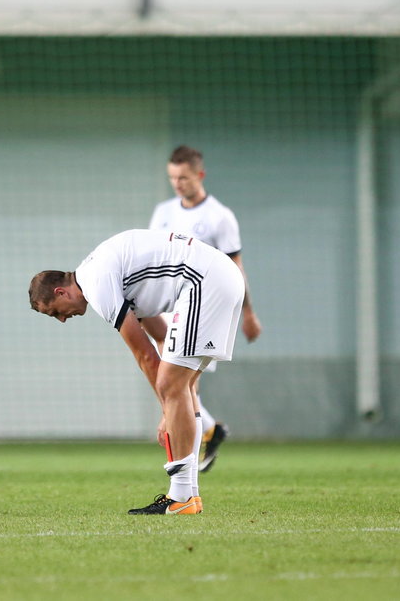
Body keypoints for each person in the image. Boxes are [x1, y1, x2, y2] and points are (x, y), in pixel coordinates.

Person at [30, 229, 245, 515]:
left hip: (205, 282)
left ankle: (180, 498)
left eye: (54, 311)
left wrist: (167, 409)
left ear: (61, 292)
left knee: (172, 385)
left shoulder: (95, 284)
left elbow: (144, 355)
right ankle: (188, 496)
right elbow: (161, 337)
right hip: (219, 278)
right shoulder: (105, 273)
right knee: (181, 386)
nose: (61, 319)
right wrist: (170, 403)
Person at [145, 145, 261, 474]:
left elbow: (235, 267)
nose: (177, 183)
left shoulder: (219, 217)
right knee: (175, 381)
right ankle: (206, 434)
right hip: (167, 304)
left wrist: (247, 313)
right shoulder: (163, 212)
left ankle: (193, 450)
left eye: (183, 177)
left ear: (200, 175)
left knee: (181, 381)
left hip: (202, 305)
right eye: (172, 178)